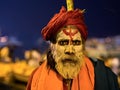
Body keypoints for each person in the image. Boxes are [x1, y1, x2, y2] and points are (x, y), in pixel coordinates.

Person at [26, 4, 119, 90]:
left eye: (76, 42)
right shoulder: (37, 77)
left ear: (83, 46)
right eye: (63, 42)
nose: (70, 50)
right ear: (52, 46)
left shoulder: (105, 77)